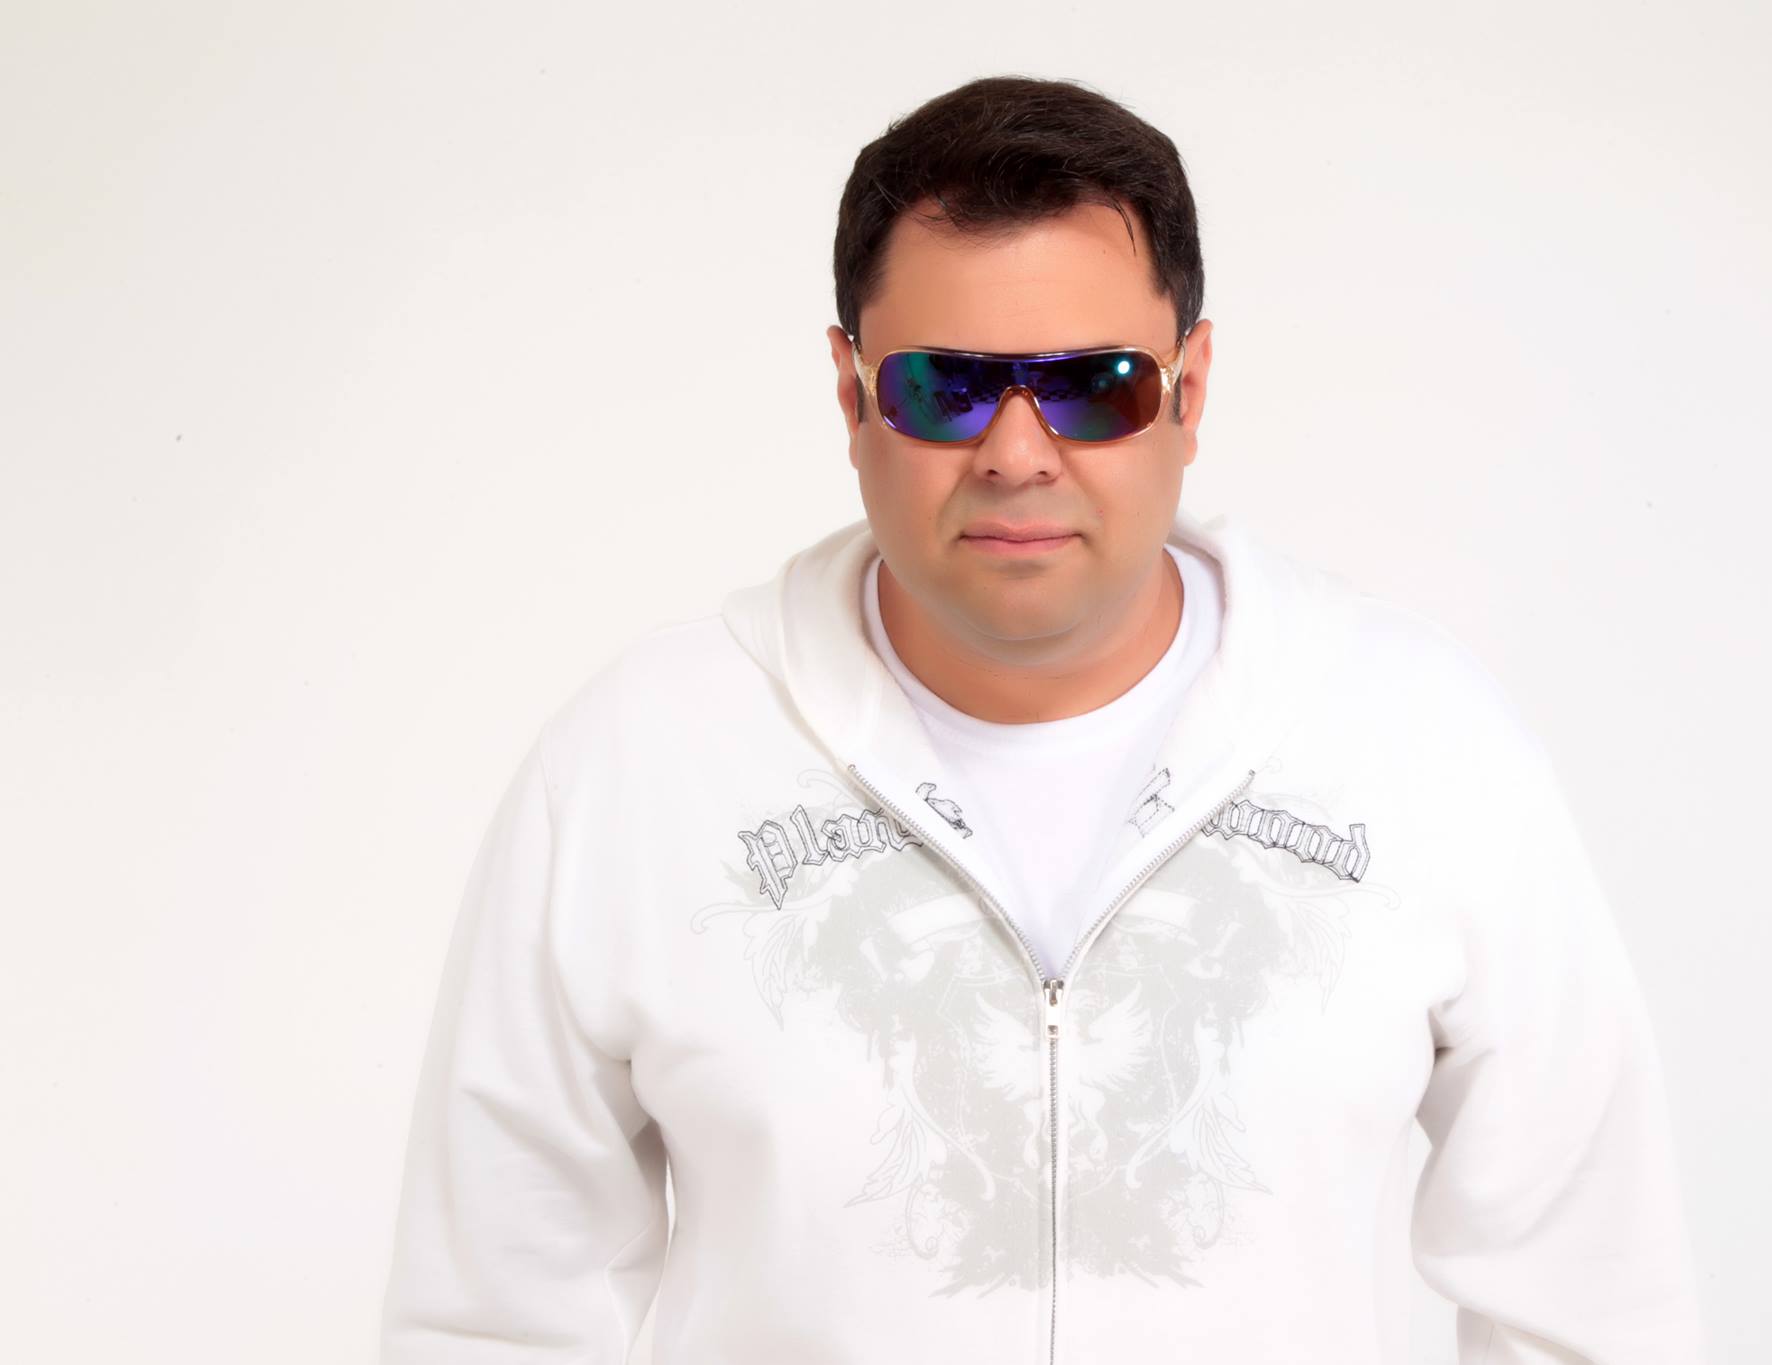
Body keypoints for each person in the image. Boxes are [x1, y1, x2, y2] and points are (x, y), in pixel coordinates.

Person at [377, 74, 1704, 1365]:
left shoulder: (1423, 748)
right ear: (851, 393)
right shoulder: (639, 768)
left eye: (1094, 385)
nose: (1017, 454)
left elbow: (1590, 1305)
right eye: (947, 390)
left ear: (1189, 390)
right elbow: (494, 1315)